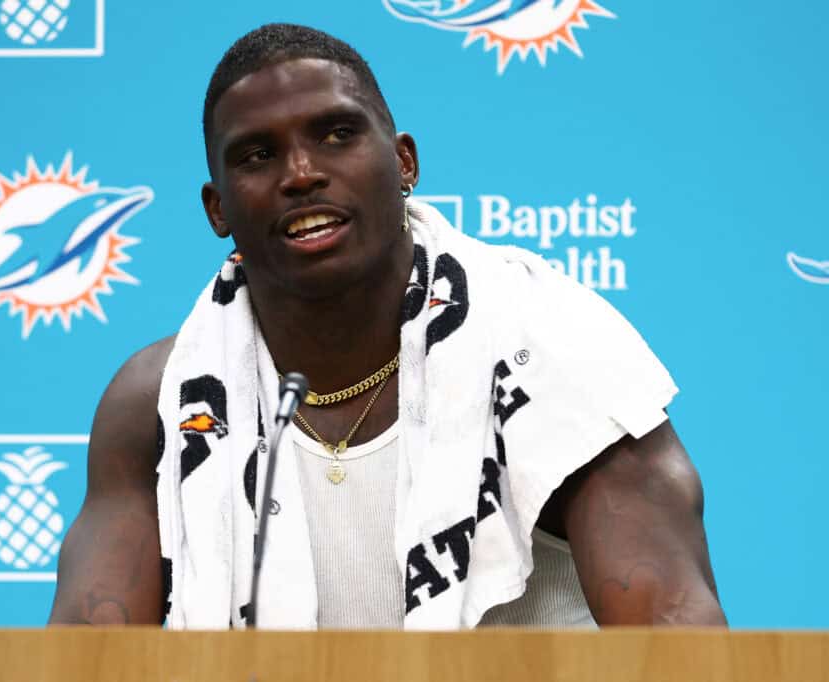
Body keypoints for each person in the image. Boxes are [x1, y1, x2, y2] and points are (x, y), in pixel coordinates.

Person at [48, 23, 725, 628]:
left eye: (337, 134)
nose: (302, 174)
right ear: (216, 209)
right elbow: (87, 666)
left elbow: (672, 639)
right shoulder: (161, 402)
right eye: (257, 156)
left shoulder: (546, 343)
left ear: (404, 162)